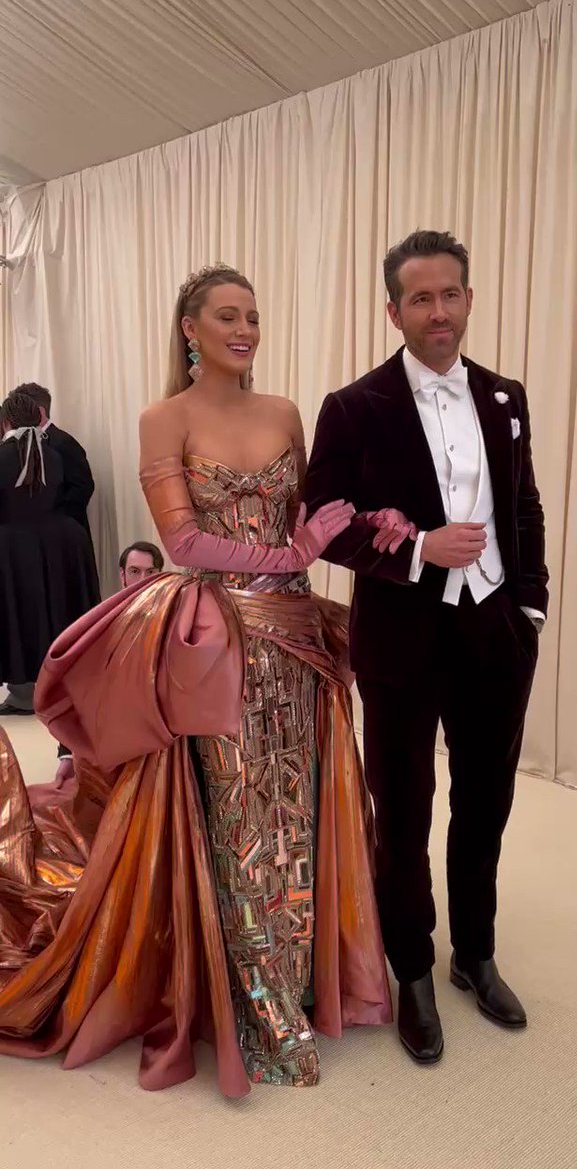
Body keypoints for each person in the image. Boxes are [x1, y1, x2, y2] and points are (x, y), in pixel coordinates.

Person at [0, 264, 398, 1097]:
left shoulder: (283, 411)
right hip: (219, 644)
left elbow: (308, 514)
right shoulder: (164, 418)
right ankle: (255, 1006)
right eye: (226, 315)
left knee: (298, 812)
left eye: (251, 315)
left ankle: (300, 978)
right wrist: (292, 554)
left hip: (297, 640)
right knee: (238, 816)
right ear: (190, 328)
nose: (244, 328)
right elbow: (182, 542)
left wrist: (370, 521)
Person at [304, 230, 549, 1065]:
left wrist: (529, 606)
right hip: (401, 640)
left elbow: (523, 504)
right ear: (393, 311)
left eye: (449, 295)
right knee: (402, 814)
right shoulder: (352, 406)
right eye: (420, 298)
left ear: (468, 299)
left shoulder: (506, 396)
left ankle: (473, 954)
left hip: (495, 632)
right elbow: (324, 521)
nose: (437, 311)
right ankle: (410, 968)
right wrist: (415, 550)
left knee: (485, 803)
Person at [0, 392, 101, 717]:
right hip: (59, 544)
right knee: (56, 612)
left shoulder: (4, 456)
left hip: (13, 548)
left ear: (6, 422)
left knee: (20, 615)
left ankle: (23, 692)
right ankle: (59, 687)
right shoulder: (53, 453)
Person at [6, 382, 96, 538]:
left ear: (40, 412)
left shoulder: (63, 443)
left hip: (63, 538)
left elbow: (82, 488)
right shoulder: (20, 446)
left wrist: (52, 520)